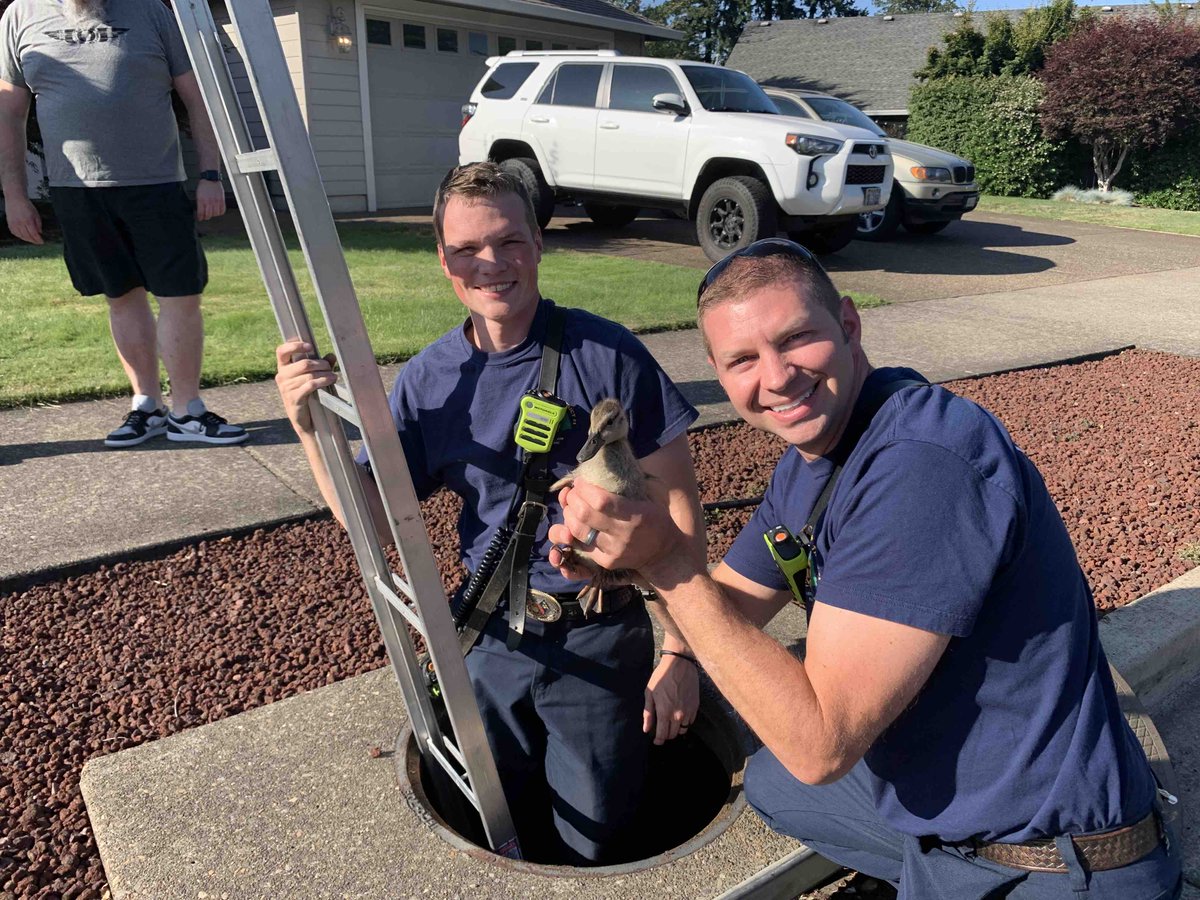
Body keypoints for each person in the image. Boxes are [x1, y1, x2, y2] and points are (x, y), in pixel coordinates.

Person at [549, 238, 1182, 897]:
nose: (776, 377)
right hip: (954, 796)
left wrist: (669, 564)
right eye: (743, 359)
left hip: (1048, 859)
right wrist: (631, 572)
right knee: (773, 784)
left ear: (849, 324)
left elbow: (819, 745)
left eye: (795, 338)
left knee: (801, 757)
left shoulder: (922, 467)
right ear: (716, 369)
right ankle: (916, 865)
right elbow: (728, 605)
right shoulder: (818, 454)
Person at [274, 162, 704, 864]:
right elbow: (374, 524)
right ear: (443, 261)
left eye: (508, 241)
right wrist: (308, 431)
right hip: (485, 641)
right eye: (467, 249)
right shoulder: (428, 381)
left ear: (538, 243)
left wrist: (683, 651)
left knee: (596, 840)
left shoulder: (608, 355)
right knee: (493, 827)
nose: (491, 264)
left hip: (597, 640)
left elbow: (680, 508)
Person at [0, 0, 248, 447]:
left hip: (156, 185)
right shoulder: (20, 16)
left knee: (180, 295)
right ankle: (146, 406)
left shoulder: (151, 10)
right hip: (77, 191)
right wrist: (15, 196)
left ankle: (187, 410)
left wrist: (211, 175)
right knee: (120, 296)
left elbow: (197, 97)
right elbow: (9, 114)